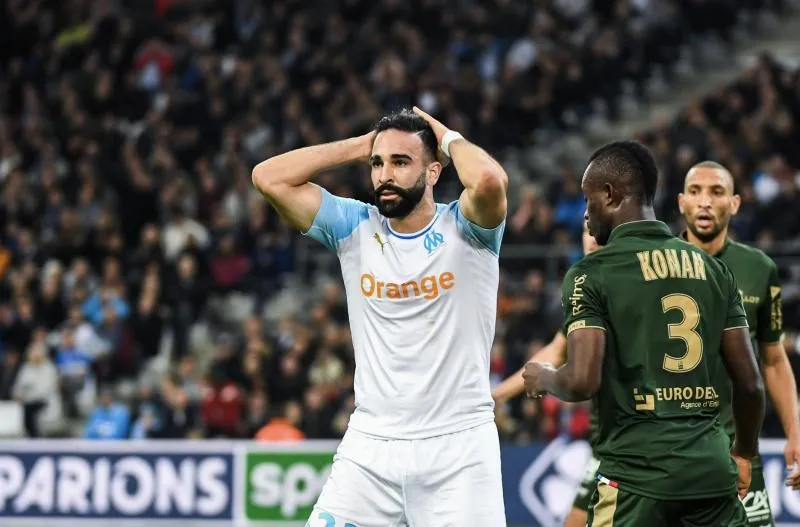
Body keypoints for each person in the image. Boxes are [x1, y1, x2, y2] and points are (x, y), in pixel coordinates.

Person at [252, 107, 508, 525]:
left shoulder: (468, 227)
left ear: (433, 172)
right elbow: (267, 177)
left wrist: (446, 137)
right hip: (370, 447)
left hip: (459, 450)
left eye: (401, 162)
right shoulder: (353, 226)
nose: (385, 175)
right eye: (377, 164)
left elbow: (489, 180)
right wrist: (361, 145)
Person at [523, 140, 765, 526]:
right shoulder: (714, 269)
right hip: (712, 474)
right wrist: (744, 453)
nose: (585, 214)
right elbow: (751, 385)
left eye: (588, 200)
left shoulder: (591, 273)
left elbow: (583, 381)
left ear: (610, 194)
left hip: (635, 480)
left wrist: (544, 378)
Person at [678, 160, 800, 525]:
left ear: (734, 203)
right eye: (695, 192)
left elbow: (774, 360)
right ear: (681, 202)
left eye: (716, 192)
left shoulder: (759, 269)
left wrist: (795, 431)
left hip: (738, 452)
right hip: (669, 452)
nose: (704, 202)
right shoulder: (651, 265)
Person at [491, 224, 600, 527]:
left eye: (599, 229)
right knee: (575, 520)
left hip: (640, 438)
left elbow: (579, 379)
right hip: (609, 439)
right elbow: (556, 350)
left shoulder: (619, 283)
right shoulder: (587, 287)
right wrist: (496, 395)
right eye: (586, 229)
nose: (591, 238)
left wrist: (547, 380)